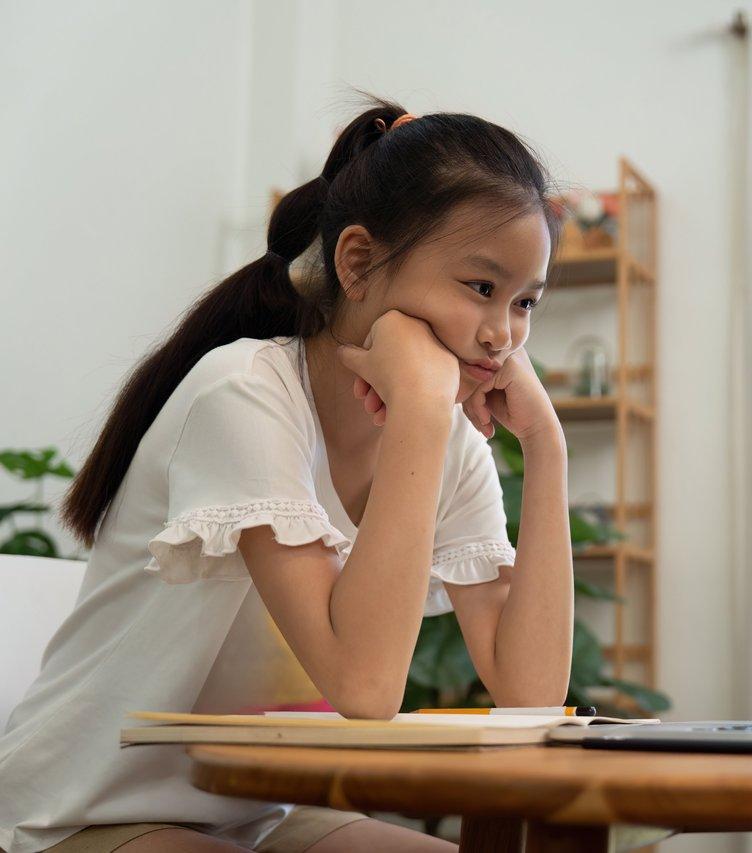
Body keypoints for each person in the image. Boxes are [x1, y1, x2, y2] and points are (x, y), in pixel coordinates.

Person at [0, 95, 574, 852]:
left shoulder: (445, 435)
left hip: (259, 815)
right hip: (87, 812)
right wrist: (423, 417)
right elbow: (366, 690)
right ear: (359, 263)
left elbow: (530, 694)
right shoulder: (245, 394)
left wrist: (547, 447)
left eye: (525, 300)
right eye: (480, 288)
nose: (503, 336)